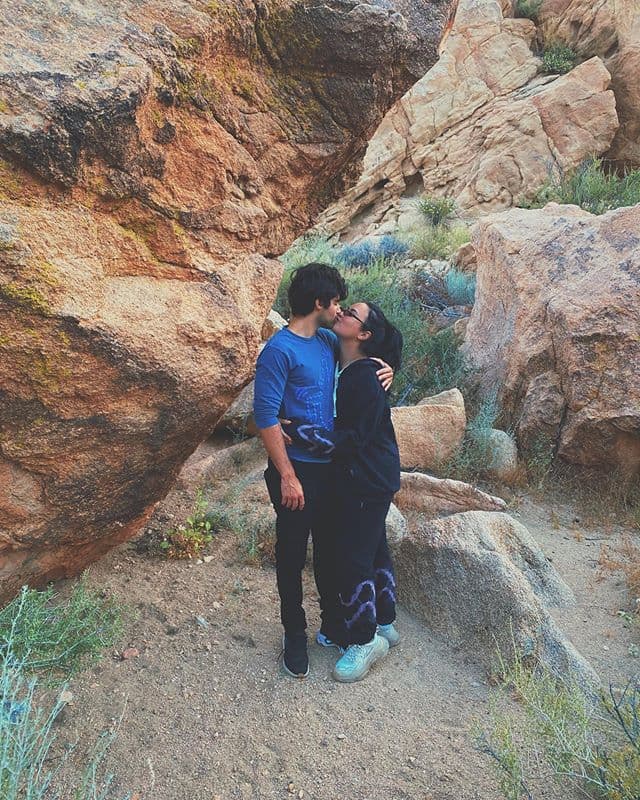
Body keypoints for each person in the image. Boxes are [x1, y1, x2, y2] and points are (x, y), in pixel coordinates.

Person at [253, 264, 392, 678]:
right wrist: (288, 476)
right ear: (319, 303)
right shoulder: (279, 351)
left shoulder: (329, 340)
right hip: (298, 474)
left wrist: (388, 370)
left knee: (331, 556)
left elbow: (373, 348)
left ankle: (334, 625)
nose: (340, 309)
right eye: (335, 302)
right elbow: (264, 417)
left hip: (333, 471)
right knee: (292, 557)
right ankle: (294, 633)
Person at [284, 300, 402, 683]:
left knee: (353, 559)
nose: (343, 313)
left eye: (351, 313)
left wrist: (298, 432)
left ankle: (364, 640)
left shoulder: (362, 379)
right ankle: (384, 621)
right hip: (370, 476)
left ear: (363, 334)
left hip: (365, 478)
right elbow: (393, 335)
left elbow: (349, 442)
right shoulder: (347, 361)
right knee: (373, 547)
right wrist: (391, 364)